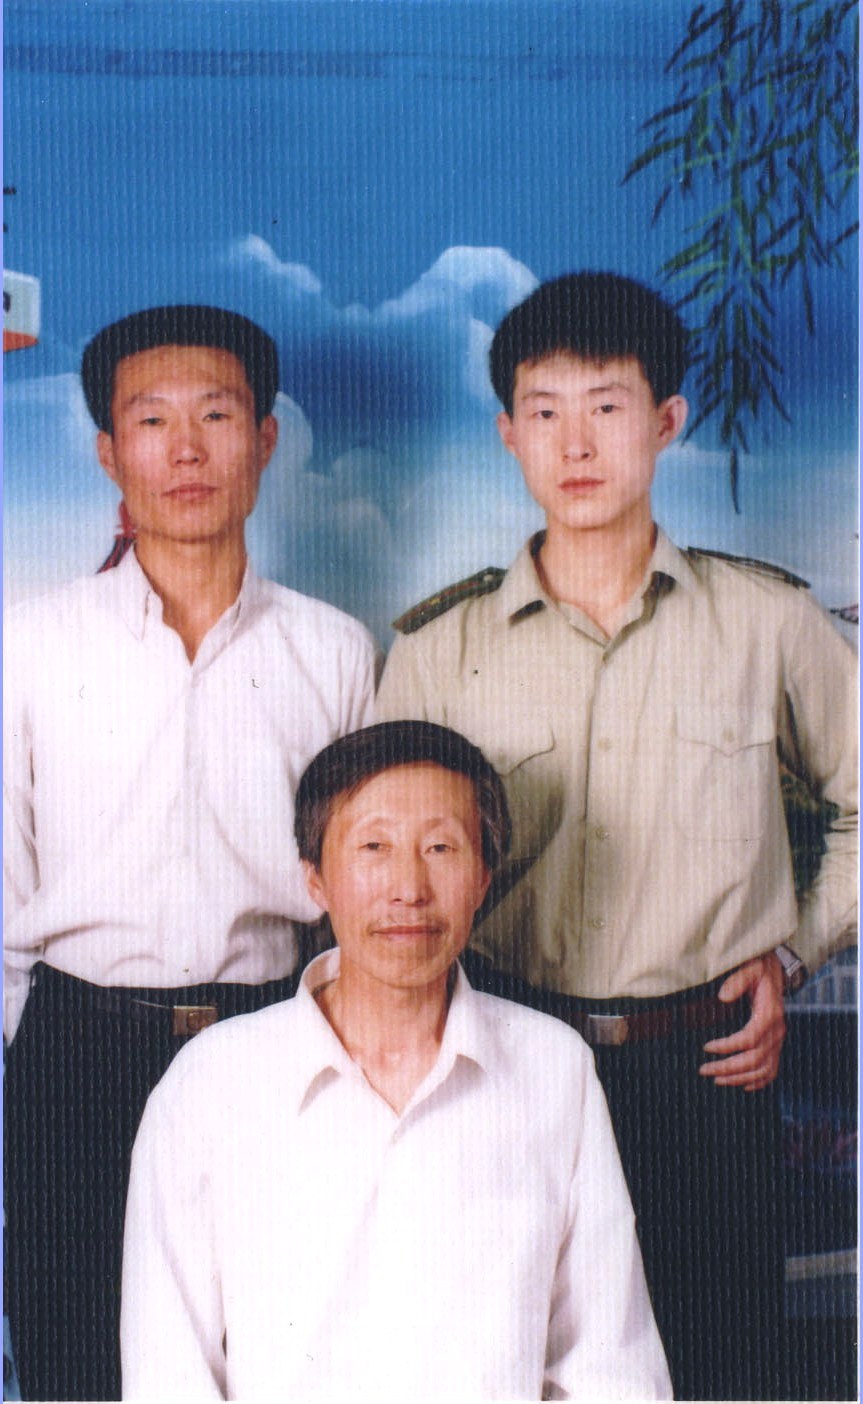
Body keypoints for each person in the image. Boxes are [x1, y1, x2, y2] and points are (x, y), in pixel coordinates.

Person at [376, 272, 858, 1400]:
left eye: (606, 405)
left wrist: (795, 956)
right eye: (544, 411)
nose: (575, 443)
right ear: (507, 433)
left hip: (706, 1071)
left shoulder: (768, 624)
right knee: (496, 1365)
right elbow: (380, 871)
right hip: (499, 1061)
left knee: (717, 1368)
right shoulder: (439, 650)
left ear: (666, 420)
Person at [4, 304, 376, 1402]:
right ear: (108, 452)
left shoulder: (331, 650)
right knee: (79, 1358)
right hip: (75, 1051)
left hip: (267, 1041)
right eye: (151, 420)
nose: (185, 450)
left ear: (262, 440)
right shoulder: (31, 644)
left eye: (215, 415)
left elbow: (356, 885)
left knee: (275, 1351)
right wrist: (40, 1042)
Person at [120, 719, 671, 1401]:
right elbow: (168, 1372)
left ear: (483, 878)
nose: (408, 888)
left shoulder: (553, 1068)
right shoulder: (211, 1083)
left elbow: (608, 1366)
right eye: (373, 847)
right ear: (315, 879)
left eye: (440, 847)